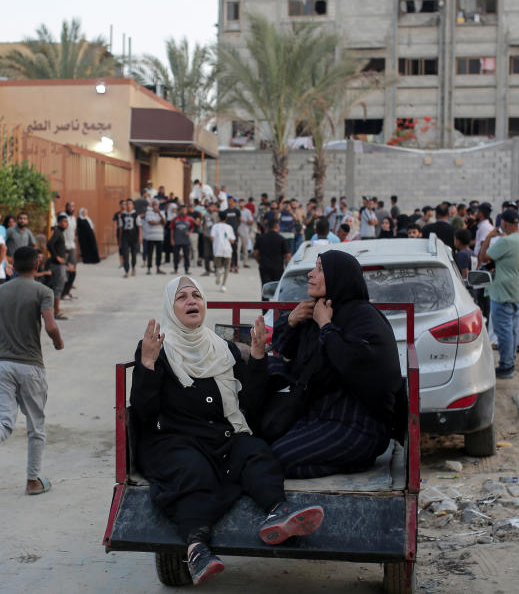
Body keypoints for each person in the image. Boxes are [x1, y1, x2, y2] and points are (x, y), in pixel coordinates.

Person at [131, 277, 324, 584]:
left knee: (256, 452)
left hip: (221, 435)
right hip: (174, 439)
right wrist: (147, 364)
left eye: (197, 295)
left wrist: (259, 358)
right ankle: (196, 549)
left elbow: (249, 403)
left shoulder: (222, 349)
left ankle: (279, 511)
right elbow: (144, 412)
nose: (192, 301)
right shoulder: (157, 349)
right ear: (170, 306)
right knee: (193, 473)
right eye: (182, 297)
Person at [270, 250, 406, 478]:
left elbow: (355, 364)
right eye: (314, 268)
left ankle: (356, 463)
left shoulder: (363, 318)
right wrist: (292, 320)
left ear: (339, 276)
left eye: (320, 269)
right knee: (265, 449)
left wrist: (326, 326)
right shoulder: (316, 310)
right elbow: (284, 349)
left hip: (357, 425)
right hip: (320, 417)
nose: (311, 275)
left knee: (277, 459)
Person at [0, 246, 65, 496]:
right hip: (30, 365)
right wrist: (58, 342)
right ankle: (33, 481)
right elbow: (51, 325)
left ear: (13, 266)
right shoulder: (43, 291)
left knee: (3, 421)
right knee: (36, 426)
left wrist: (7, 330)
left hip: (1, 366)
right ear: (37, 264)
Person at [478, 210, 519, 379]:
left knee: (503, 331)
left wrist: (490, 236)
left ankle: (506, 365)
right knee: (511, 330)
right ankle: (510, 361)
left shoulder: (507, 241)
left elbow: (483, 257)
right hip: (514, 290)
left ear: (504, 223)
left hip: (502, 292)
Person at [46, 214, 70, 319]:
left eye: (67, 221)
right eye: (64, 221)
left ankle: (55, 310)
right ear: (59, 222)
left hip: (60, 265)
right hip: (57, 265)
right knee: (58, 288)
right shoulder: (58, 232)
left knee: (57, 287)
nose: (66, 223)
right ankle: (57, 312)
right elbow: (49, 244)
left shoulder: (60, 233)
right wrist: (57, 257)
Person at [254, 220, 290, 288]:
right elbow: (288, 255)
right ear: (277, 227)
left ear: (267, 228)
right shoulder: (281, 239)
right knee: (277, 289)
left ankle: (265, 298)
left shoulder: (261, 238)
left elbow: (255, 253)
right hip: (278, 268)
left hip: (264, 266)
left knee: (265, 287)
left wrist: (259, 261)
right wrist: (287, 266)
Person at [211, 211, 236, 292]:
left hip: (218, 248)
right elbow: (233, 241)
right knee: (227, 267)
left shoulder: (215, 226)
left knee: (218, 266)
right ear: (226, 218)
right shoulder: (229, 227)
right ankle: (223, 285)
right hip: (227, 249)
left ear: (218, 218)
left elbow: (212, 238)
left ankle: (219, 271)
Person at [58, 202, 79, 299]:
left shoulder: (73, 218)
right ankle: (62, 292)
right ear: (66, 207)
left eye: (73, 206)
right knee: (65, 270)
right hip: (64, 246)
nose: (71, 208)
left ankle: (67, 290)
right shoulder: (63, 216)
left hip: (72, 245)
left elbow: (74, 231)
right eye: (70, 206)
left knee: (73, 268)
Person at [169, 205, 196, 275]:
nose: (184, 211)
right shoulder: (175, 219)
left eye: (185, 210)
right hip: (177, 240)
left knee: (186, 256)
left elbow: (193, 227)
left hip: (186, 241)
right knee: (176, 255)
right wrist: (172, 239)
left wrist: (189, 232)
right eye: (182, 210)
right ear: (180, 211)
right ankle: (175, 269)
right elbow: (172, 229)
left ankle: (186, 270)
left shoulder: (189, 219)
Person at [118, 198, 142, 278]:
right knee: (125, 254)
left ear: (133, 205)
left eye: (130, 204)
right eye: (127, 204)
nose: (128, 205)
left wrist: (140, 237)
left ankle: (133, 267)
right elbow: (121, 228)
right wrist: (120, 239)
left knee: (134, 253)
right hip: (125, 236)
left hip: (134, 237)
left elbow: (139, 227)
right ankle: (126, 271)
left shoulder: (136, 215)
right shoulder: (122, 215)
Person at [143, 199, 166, 275]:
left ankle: (158, 268)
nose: (155, 206)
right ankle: (149, 268)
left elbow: (164, 222)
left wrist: (159, 214)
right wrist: (159, 223)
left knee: (159, 254)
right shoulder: (148, 213)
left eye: (156, 204)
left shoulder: (162, 212)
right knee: (150, 253)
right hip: (150, 237)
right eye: (154, 204)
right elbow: (150, 222)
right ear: (152, 205)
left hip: (159, 237)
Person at [238, 201, 255, 268]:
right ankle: (237, 263)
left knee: (245, 249)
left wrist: (245, 221)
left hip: (245, 232)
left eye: (242, 202)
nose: (241, 204)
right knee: (238, 249)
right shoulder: (237, 211)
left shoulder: (248, 211)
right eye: (240, 203)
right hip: (238, 232)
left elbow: (251, 222)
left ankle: (245, 263)